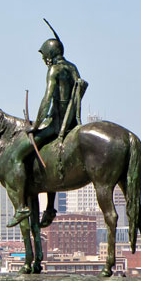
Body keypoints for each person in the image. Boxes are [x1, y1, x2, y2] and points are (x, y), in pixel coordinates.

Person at [5, 21, 88, 228]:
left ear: (50, 53)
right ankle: (50, 208)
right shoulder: (72, 68)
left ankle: (22, 206)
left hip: (56, 123)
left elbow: (47, 99)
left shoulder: (55, 70)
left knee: (16, 155)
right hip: (72, 123)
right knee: (46, 160)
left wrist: (36, 125)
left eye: (44, 56)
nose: (44, 60)